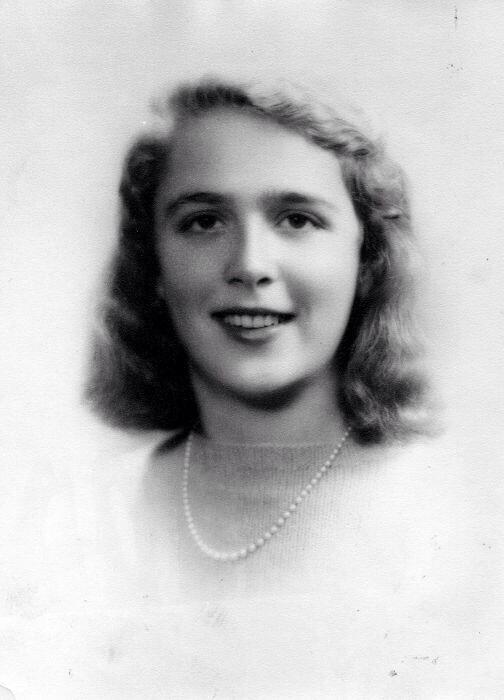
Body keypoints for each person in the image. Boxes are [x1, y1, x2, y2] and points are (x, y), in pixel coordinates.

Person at [84, 78, 441, 695]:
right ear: (154, 265)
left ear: (367, 261)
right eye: (203, 222)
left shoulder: (446, 513)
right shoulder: (86, 521)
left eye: (297, 219)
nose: (250, 265)